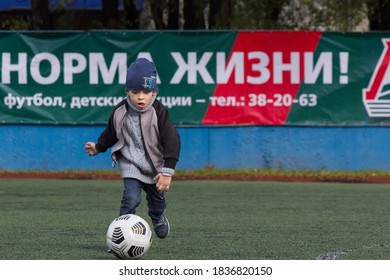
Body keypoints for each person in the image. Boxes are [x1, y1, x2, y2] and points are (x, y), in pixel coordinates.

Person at [84, 58, 181, 239]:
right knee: (130, 198)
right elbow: (111, 132)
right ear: (127, 91)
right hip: (130, 163)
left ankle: (158, 217)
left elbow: (172, 141)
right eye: (135, 92)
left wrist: (167, 172)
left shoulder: (159, 112)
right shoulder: (120, 110)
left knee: (156, 202)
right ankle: (121, 235)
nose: (141, 97)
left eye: (146, 91)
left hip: (155, 167)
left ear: (154, 92)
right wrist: (98, 147)